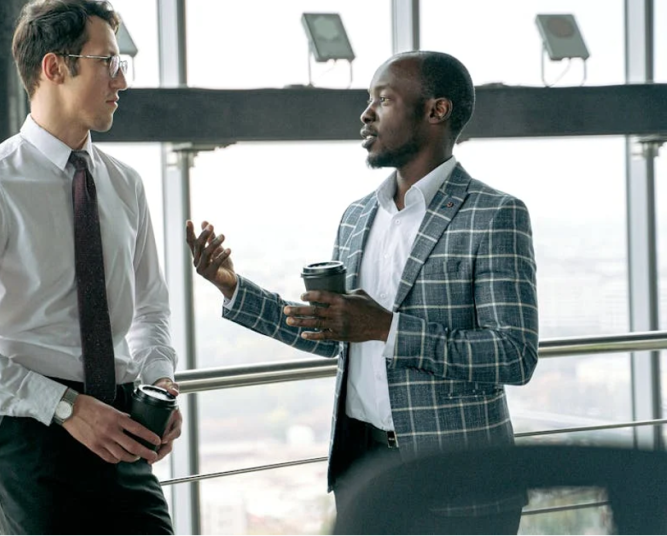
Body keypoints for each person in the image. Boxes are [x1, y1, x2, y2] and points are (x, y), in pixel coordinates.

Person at [187, 51, 538, 533]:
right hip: (364, 472)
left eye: (384, 99)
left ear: (437, 111)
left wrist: (388, 329)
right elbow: (331, 332)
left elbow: (514, 355)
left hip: (459, 480)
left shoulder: (495, 214)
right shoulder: (357, 217)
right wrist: (232, 287)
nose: (366, 113)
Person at [0, 0, 180, 534]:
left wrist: (158, 378)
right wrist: (64, 406)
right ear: (55, 67)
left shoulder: (125, 184)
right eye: (108, 61)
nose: (122, 80)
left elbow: (150, 304)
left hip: (125, 423)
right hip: (33, 436)